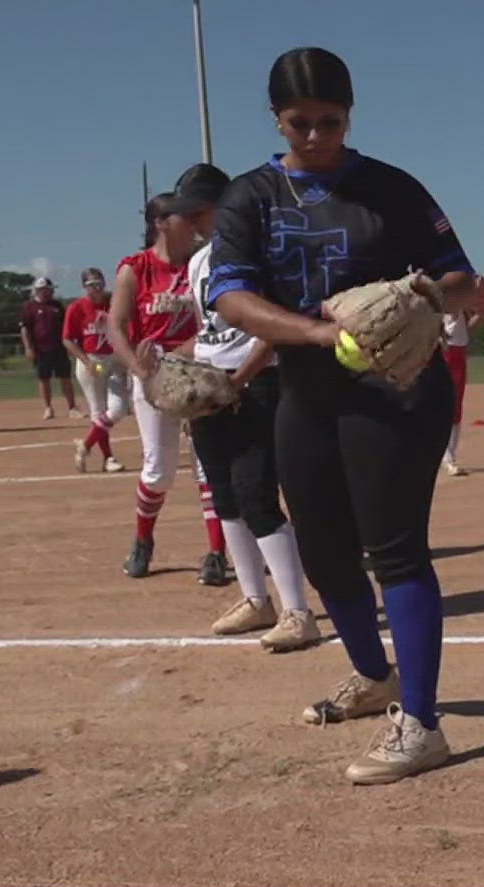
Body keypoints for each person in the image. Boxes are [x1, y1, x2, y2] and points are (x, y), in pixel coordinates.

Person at [205, 46, 484, 783]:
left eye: (330, 121)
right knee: (324, 552)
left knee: (393, 549)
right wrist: (319, 334)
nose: (315, 136)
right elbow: (231, 296)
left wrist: (423, 298)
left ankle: (423, 726)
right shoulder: (250, 198)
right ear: (276, 117)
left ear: (350, 113)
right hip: (307, 390)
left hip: (399, 392)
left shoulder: (389, 189)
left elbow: (460, 276)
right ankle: (376, 676)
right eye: (300, 122)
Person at [171, 162, 320, 653]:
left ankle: (299, 611)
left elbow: (277, 324)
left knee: (256, 494)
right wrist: (177, 366)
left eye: (198, 210)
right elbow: (208, 334)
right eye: (185, 213)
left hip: (256, 385)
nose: (190, 220)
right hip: (213, 387)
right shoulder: (197, 263)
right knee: (224, 497)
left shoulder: (258, 247)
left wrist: (241, 378)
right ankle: (256, 599)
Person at [105, 191, 231, 585]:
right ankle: (143, 540)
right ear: (160, 222)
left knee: (208, 466)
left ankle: (216, 553)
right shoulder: (136, 268)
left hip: (196, 373)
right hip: (152, 378)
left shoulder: (199, 264)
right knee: (158, 471)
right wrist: (139, 370)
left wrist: (179, 356)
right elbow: (116, 325)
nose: (192, 223)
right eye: (182, 217)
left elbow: (209, 322)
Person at [66, 268, 127, 473]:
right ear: (84, 287)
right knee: (98, 409)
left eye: (100, 283)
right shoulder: (77, 307)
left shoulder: (113, 305)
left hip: (115, 361)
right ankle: (108, 458)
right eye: (92, 285)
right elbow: (67, 339)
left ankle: (85, 446)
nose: (97, 288)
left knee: (118, 408)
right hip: (94, 361)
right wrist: (85, 360)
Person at [20, 278, 79, 420]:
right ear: (38, 290)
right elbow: (25, 329)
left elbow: (67, 326)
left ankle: (72, 407)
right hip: (40, 349)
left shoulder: (57, 305)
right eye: (46, 289)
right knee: (44, 379)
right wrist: (28, 347)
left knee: (65, 377)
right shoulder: (29, 306)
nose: (49, 292)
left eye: (50, 289)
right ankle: (48, 408)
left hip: (59, 348)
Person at [441, 306, 474, 476]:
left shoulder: (462, 304)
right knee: (443, 404)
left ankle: (449, 457)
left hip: (458, 351)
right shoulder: (437, 300)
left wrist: (479, 314)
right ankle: (445, 457)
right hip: (444, 352)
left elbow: (469, 326)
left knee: (456, 405)